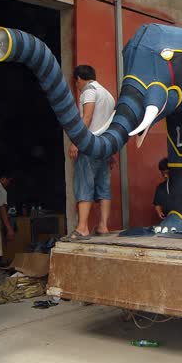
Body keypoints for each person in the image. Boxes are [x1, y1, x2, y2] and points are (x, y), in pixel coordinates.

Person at [66, 64, 116, 240]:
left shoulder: (89, 90)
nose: (77, 86)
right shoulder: (108, 95)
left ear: (79, 79)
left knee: (84, 184)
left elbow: (86, 117)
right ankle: (103, 226)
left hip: (90, 145)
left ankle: (82, 228)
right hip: (105, 146)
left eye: (76, 82)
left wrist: (76, 142)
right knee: (104, 187)